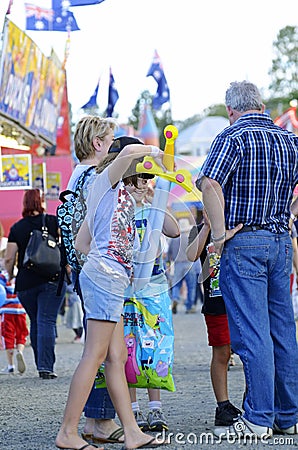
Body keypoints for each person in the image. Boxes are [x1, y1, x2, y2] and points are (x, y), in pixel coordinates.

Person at [197, 80, 298, 439]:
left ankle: (258, 417)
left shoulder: (232, 137)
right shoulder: (288, 139)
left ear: (231, 109)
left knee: (253, 332)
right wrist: (288, 213)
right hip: (280, 239)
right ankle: (288, 416)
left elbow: (210, 184)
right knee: (283, 330)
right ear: (261, 104)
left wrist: (221, 235)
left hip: (244, 240)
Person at [55, 139, 167, 450]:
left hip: (107, 278)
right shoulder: (105, 182)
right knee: (95, 356)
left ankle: (132, 433)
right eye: (141, 174)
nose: (144, 179)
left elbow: (81, 243)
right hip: (106, 279)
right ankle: (67, 432)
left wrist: (106, 259)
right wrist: (156, 153)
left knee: (116, 357)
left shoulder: (109, 195)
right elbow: (130, 153)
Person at [66, 115, 124, 444]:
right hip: (100, 270)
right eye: (111, 140)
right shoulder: (94, 176)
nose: (114, 146)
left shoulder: (77, 176)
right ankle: (96, 420)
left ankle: (104, 421)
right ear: (98, 143)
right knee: (99, 352)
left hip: (87, 268)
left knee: (106, 351)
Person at [125, 176, 179, 432]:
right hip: (125, 288)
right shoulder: (118, 212)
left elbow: (174, 229)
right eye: (133, 182)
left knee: (154, 344)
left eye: (144, 181)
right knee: (128, 348)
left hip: (155, 285)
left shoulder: (151, 208)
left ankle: (155, 409)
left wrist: (156, 201)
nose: (139, 186)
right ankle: (132, 411)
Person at [186, 208, 241, 436]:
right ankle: (223, 406)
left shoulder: (239, 227)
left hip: (242, 302)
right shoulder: (200, 230)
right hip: (216, 302)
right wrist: (209, 227)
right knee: (221, 354)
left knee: (250, 353)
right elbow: (191, 255)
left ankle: (254, 402)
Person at [5, 189, 66, 379]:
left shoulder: (17, 228)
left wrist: (9, 275)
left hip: (26, 283)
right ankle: (46, 367)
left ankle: (42, 363)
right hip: (53, 279)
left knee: (37, 322)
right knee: (46, 320)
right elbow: (64, 246)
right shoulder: (52, 221)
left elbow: (8, 258)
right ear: (42, 203)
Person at [167, 218, 197, 314]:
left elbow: (169, 254)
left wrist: (169, 262)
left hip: (178, 264)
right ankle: (189, 306)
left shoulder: (174, 240)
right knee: (191, 286)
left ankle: (175, 298)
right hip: (189, 264)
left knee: (176, 284)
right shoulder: (190, 238)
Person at [0, 273, 28, 374]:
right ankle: (20, 351)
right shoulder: (21, 273)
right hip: (21, 309)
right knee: (22, 333)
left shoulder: (3, 276)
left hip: (7, 310)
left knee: (8, 335)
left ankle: (10, 365)